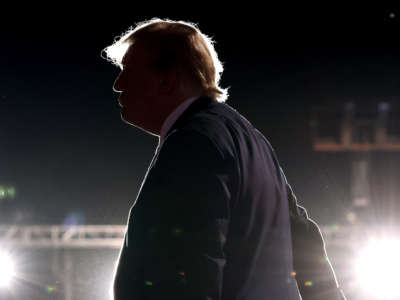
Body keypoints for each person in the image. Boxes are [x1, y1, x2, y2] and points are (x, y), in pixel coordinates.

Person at [101, 18, 346, 300]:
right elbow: (304, 244)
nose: (118, 85)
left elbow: (184, 273)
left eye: (128, 70)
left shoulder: (193, 143)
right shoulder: (249, 139)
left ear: (167, 78)